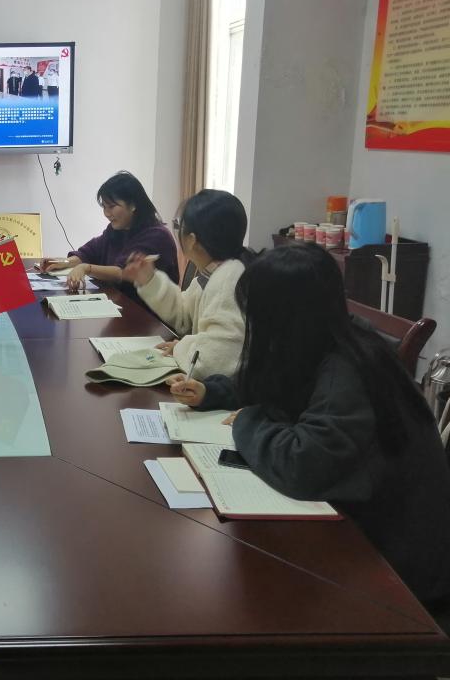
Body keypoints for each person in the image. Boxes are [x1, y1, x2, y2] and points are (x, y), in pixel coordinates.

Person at [167, 243, 450, 615]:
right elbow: (273, 382)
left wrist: (250, 419)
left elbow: (301, 464)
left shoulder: (348, 372)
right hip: (360, 534)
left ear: (284, 317)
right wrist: (212, 392)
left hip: (398, 576)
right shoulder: (321, 337)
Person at [121, 189, 250, 379]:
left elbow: (214, 361)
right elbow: (183, 316)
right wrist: (150, 280)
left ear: (191, 240)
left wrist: (181, 347)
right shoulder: (216, 271)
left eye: (179, 226)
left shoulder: (228, 280)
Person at [39, 171, 178, 298]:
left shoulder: (157, 236)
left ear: (133, 204)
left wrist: (86, 268)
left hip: (147, 312)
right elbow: (90, 251)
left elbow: (121, 272)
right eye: (104, 207)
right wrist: (65, 262)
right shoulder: (117, 229)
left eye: (111, 206)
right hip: (120, 302)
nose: (106, 213)